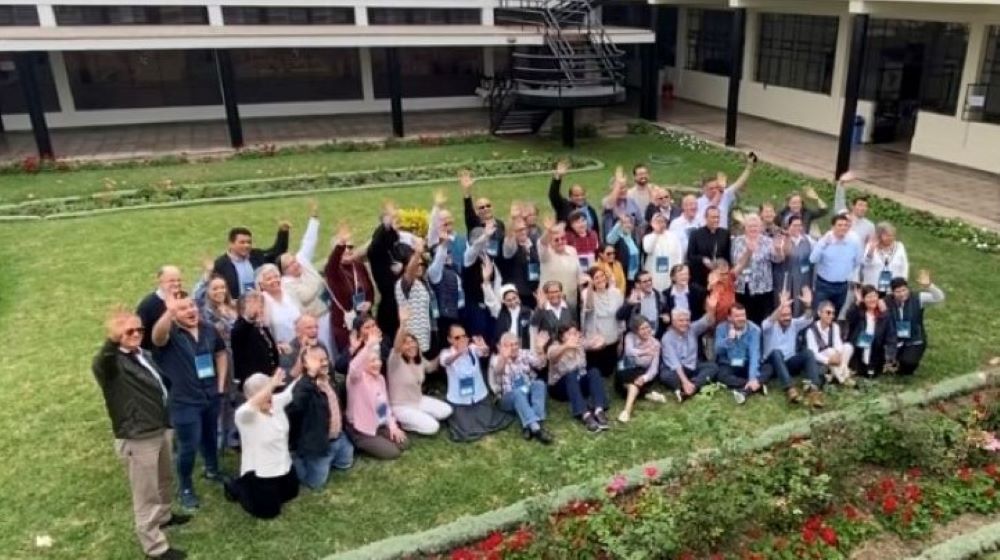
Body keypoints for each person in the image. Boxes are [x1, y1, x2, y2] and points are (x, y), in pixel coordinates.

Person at [93, 310, 189, 560]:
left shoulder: (142, 354)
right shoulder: (111, 364)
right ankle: (154, 548)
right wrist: (111, 342)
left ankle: (164, 517)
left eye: (139, 330)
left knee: (164, 478)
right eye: (128, 332)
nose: (136, 335)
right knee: (145, 493)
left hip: (160, 426)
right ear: (116, 337)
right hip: (138, 435)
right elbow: (101, 361)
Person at [151, 292, 228, 510]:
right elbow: (157, 336)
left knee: (210, 436)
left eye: (192, 306)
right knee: (189, 445)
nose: (191, 311)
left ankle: (212, 469)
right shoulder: (171, 335)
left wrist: (220, 385)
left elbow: (221, 353)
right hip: (185, 401)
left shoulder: (208, 330)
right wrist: (169, 312)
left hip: (211, 395)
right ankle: (185, 486)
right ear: (175, 315)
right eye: (183, 308)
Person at [225, 371, 300, 520]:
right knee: (269, 512)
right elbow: (250, 406)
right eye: (264, 394)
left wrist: (307, 365)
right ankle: (238, 487)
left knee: (292, 493)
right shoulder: (244, 416)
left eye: (270, 393)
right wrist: (271, 384)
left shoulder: (275, 401)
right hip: (261, 473)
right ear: (250, 398)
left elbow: (293, 389)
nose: (269, 398)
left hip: (284, 465)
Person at [285, 345, 353, 490]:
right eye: (317, 360)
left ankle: (329, 458)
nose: (323, 363)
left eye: (325, 359)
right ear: (306, 364)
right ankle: (297, 458)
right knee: (316, 483)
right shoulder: (303, 385)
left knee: (345, 464)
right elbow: (295, 406)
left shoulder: (329, 377)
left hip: (338, 438)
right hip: (319, 442)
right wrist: (310, 374)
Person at [440, 325, 514, 442]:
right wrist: (459, 353)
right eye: (457, 337)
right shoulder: (446, 353)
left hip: (479, 397)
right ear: (449, 339)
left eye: (464, 336)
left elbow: (484, 352)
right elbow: (446, 362)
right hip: (459, 400)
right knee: (465, 428)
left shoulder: (472, 348)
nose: (462, 339)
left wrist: (483, 347)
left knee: (488, 420)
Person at [280, 202, 334, 355]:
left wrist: (314, 218)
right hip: (316, 321)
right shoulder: (286, 285)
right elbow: (300, 305)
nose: (296, 265)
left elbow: (308, 242)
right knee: (325, 350)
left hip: (330, 311)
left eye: (294, 261)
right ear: (284, 271)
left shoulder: (302, 261)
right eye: (290, 265)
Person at [193, 272, 240, 449]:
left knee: (232, 397)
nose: (219, 291)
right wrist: (205, 277)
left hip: (234, 359)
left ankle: (231, 435)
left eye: (222, 287)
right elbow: (196, 295)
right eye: (215, 288)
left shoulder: (232, 307)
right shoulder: (204, 312)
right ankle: (215, 439)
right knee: (217, 398)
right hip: (214, 359)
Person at [387, 310, 453, 435]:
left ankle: (419, 416)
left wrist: (444, 352)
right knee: (433, 427)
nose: (411, 346)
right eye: (406, 343)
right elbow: (396, 345)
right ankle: (403, 423)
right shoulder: (395, 359)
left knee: (447, 411)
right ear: (401, 347)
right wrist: (403, 324)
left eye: (413, 342)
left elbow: (431, 367)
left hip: (418, 400)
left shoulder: (418, 359)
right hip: (401, 406)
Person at [346, 339, 409, 460]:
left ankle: (379, 436)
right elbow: (353, 367)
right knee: (393, 453)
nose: (377, 363)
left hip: (377, 424)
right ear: (363, 363)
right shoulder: (356, 379)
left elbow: (383, 406)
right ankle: (361, 443)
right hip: (360, 430)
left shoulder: (380, 378)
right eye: (372, 361)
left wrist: (392, 426)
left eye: (378, 360)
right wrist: (367, 346)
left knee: (404, 443)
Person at [761, 288, 824, 407]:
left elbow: (808, 318)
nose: (787, 318)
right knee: (776, 352)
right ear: (778, 315)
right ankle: (790, 389)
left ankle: (814, 391)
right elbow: (768, 322)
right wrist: (781, 306)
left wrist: (808, 305)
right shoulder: (769, 326)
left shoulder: (794, 324)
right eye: (783, 315)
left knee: (808, 353)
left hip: (789, 362)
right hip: (772, 364)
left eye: (789, 315)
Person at [489, 332, 554, 444]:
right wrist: (504, 358)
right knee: (517, 393)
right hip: (507, 398)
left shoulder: (524, 353)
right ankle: (537, 428)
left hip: (527, 392)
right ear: (503, 346)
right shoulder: (496, 359)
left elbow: (540, 364)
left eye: (516, 344)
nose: (514, 347)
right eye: (510, 345)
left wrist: (541, 349)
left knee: (539, 384)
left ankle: (530, 424)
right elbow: (497, 371)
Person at [547, 323, 611, 433]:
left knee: (594, 371)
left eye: (575, 333)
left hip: (578, 383)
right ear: (562, 336)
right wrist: (566, 346)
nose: (573, 336)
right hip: (560, 387)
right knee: (571, 375)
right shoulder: (555, 346)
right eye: (569, 334)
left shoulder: (580, 344)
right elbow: (551, 356)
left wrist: (601, 341)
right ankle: (584, 414)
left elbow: (596, 344)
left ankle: (599, 409)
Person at [325, 224, 376, 354]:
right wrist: (340, 245)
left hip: (364, 320)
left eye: (350, 247)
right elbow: (333, 262)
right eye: (344, 247)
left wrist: (369, 302)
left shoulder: (358, 265)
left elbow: (369, 289)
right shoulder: (333, 270)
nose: (347, 250)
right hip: (345, 325)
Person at [886, 270, 945, 376]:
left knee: (907, 364)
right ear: (892, 293)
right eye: (898, 291)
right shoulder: (887, 301)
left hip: (915, 339)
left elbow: (939, 298)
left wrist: (929, 286)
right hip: (896, 340)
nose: (902, 294)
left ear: (908, 289)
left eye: (904, 290)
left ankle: (904, 364)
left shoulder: (918, 298)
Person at [731, 213, 785, 325]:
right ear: (745, 227)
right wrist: (749, 252)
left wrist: (778, 249)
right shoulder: (737, 241)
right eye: (750, 226)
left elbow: (778, 259)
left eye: (756, 226)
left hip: (763, 288)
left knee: (762, 321)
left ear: (760, 227)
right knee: (744, 319)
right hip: (743, 288)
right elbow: (737, 263)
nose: (753, 228)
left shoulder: (767, 241)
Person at [659, 301, 719, 402]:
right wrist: (685, 381)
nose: (685, 323)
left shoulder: (692, 328)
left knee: (713, 367)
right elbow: (675, 364)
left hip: (692, 366)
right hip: (675, 370)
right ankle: (689, 386)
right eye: (681, 321)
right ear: (673, 322)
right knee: (665, 376)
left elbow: (708, 321)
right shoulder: (667, 338)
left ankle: (691, 388)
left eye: (687, 320)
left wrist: (711, 310)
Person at [213, 223, 290, 300]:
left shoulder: (256, 255)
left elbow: (276, 253)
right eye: (242, 242)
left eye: (249, 242)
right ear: (231, 244)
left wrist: (283, 233)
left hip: (260, 304)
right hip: (236, 307)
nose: (246, 245)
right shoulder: (221, 264)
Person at [714, 303, 769, 404]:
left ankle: (749, 386)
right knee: (721, 375)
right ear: (729, 317)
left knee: (768, 367)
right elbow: (717, 351)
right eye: (737, 316)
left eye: (743, 315)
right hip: (729, 363)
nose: (741, 318)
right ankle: (756, 385)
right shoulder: (721, 328)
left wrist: (752, 377)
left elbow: (754, 354)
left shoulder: (754, 330)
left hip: (746, 362)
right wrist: (729, 340)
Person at [616, 317, 666, 423]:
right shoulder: (630, 337)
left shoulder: (656, 343)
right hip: (626, 369)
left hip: (643, 373)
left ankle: (626, 411)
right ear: (635, 331)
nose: (646, 331)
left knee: (633, 385)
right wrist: (645, 352)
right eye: (642, 329)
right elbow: (629, 352)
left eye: (647, 327)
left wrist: (644, 378)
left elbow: (654, 368)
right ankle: (648, 393)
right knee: (625, 385)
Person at [810, 214, 862, 314]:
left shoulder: (854, 241)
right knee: (819, 313)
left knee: (835, 313)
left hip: (842, 286)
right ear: (833, 226)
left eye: (845, 225)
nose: (843, 227)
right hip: (824, 285)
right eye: (839, 225)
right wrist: (823, 244)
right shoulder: (825, 240)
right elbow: (813, 259)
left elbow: (857, 261)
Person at [395, 237, 437, 358]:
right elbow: (409, 273)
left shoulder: (422, 282)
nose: (419, 267)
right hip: (412, 340)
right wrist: (418, 253)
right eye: (415, 265)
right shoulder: (404, 283)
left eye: (421, 264)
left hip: (425, 335)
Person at [368, 202, 405, 338]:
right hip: (390, 308)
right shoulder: (376, 251)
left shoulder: (396, 246)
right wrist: (387, 224)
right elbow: (377, 244)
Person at [230, 291, 280, 389]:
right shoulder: (240, 328)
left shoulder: (262, 327)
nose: (259, 309)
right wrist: (250, 316)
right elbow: (240, 331)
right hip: (252, 383)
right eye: (254, 306)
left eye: (261, 306)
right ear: (243, 308)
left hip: (269, 380)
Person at [581, 266, 625, 377]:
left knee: (608, 372)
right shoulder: (587, 293)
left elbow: (621, 315)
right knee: (595, 372)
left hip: (611, 339)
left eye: (602, 276)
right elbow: (589, 308)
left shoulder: (616, 293)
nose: (600, 279)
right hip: (595, 342)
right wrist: (591, 286)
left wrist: (621, 337)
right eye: (596, 278)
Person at [696, 152, 756, 228]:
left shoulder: (725, 195)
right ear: (704, 189)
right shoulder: (698, 202)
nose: (714, 190)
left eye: (716, 187)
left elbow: (739, 183)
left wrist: (749, 167)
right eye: (711, 188)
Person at [846, 285, 895, 377]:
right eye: (868, 297)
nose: (872, 299)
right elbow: (849, 317)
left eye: (874, 296)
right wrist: (857, 302)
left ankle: (873, 366)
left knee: (872, 374)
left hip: (876, 350)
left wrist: (890, 356)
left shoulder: (884, 315)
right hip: (858, 349)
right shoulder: (859, 312)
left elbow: (891, 336)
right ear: (863, 299)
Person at [805, 300, 855, 386]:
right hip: (821, 360)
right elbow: (813, 353)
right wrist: (828, 360)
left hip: (835, 357)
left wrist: (838, 354)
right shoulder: (811, 330)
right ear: (819, 313)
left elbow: (838, 343)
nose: (831, 316)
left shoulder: (835, 326)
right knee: (830, 351)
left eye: (833, 313)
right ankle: (843, 379)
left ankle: (837, 373)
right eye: (828, 313)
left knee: (848, 347)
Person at [774, 216, 814, 316]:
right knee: (786, 305)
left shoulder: (808, 239)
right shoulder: (782, 240)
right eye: (794, 225)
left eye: (800, 225)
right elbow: (783, 255)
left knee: (802, 303)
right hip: (786, 278)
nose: (798, 228)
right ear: (788, 226)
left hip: (803, 278)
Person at [461, 169, 505, 258]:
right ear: (477, 211)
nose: (486, 209)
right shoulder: (475, 224)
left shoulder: (499, 224)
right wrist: (467, 191)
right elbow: (468, 210)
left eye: (488, 206)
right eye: (481, 207)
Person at [539, 220, 582, 311]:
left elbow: (579, 274)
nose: (560, 241)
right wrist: (549, 231)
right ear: (550, 241)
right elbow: (542, 243)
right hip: (550, 304)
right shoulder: (546, 254)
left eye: (563, 238)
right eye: (556, 239)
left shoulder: (572, 251)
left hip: (570, 302)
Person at [500, 213, 540, 309]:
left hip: (532, 295)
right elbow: (509, 245)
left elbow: (534, 269)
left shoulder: (530, 245)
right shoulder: (511, 248)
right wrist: (510, 234)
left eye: (524, 228)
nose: (523, 232)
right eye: (519, 230)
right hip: (516, 297)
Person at [137, 265, 183, 349]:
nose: (176, 284)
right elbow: (140, 336)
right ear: (160, 282)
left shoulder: (184, 299)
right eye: (171, 281)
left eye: (179, 280)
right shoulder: (148, 305)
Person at [686, 205, 732, 291]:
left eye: (718, 217)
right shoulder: (696, 234)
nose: (716, 220)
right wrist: (703, 259)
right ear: (706, 218)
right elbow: (690, 256)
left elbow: (728, 256)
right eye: (713, 217)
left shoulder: (725, 234)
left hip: (719, 278)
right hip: (700, 279)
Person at [549, 160, 599, 236]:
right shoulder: (564, 206)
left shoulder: (590, 210)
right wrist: (558, 177)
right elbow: (553, 195)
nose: (580, 197)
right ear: (570, 197)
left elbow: (596, 231)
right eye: (576, 195)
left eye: (582, 194)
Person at [256, 264, 301, 346]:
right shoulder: (261, 302)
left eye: (276, 277)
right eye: (269, 279)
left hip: (303, 341)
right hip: (283, 349)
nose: (274, 280)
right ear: (262, 285)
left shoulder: (289, 293)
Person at [861, 222, 909, 295]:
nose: (890, 238)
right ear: (879, 235)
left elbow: (904, 266)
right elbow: (865, 263)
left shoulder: (900, 246)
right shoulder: (871, 245)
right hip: (873, 287)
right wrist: (871, 251)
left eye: (892, 235)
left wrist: (903, 282)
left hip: (892, 288)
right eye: (887, 235)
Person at [642, 213, 684, 293]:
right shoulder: (648, 237)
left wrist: (678, 270)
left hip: (670, 272)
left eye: (662, 221)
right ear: (652, 224)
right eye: (658, 222)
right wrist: (656, 233)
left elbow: (679, 253)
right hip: (655, 273)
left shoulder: (673, 236)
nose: (661, 224)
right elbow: (648, 249)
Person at [617, 271, 668, 336]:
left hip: (655, 337)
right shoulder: (633, 297)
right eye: (645, 281)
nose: (649, 283)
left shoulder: (660, 296)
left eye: (650, 280)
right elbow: (620, 316)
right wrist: (630, 304)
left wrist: (667, 316)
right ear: (637, 284)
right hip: (637, 338)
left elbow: (666, 311)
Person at [484, 283, 534, 350]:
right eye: (509, 300)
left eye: (514, 298)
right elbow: (490, 300)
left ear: (518, 297)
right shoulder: (500, 313)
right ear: (504, 301)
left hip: (524, 350)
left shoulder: (528, 312)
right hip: (507, 350)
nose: (513, 302)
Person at [833, 172, 875, 247]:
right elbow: (839, 200)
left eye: (865, 206)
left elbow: (870, 246)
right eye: (860, 205)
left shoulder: (870, 226)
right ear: (853, 206)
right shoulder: (844, 217)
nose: (863, 208)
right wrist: (841, 183)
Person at [601, 166, 644, 235]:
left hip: (630, 239)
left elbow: (640, 222)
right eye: (620, 188)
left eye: (625, 187)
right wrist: (618, 182)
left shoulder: (631, 202)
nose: (623, 190)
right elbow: (609, 204)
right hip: (613, 243)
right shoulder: (607, 201)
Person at [606, 214, 642, 289]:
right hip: (622, 273)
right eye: (624, 223)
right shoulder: (617, 237)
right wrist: (619, 223)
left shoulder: (632, 237)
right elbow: (609, 239)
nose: (627, 225)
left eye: (629, 222)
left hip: (633, 274)